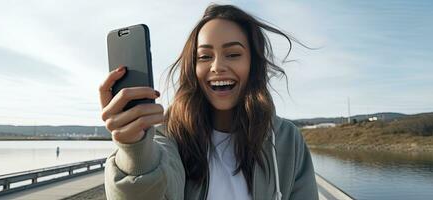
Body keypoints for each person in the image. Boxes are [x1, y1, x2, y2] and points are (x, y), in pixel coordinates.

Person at [99, 4, 318, 200]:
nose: (217, 66)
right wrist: (134, 150)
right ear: (192, 69)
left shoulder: (286, 139)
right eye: (204, 57)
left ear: (253, 65)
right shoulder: (169, 136)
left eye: (233, 54)